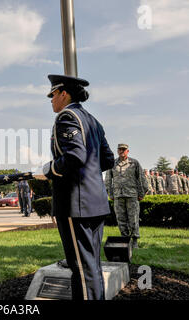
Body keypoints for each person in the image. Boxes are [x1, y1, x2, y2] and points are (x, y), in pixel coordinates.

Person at [34, 74, 114, 300]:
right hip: (96, 203)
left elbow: (75, 156)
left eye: (52, 95)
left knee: (81, 268)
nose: (51, 100)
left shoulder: (66, 117)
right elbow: (108, 160)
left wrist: (49, 169)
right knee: (91, 266)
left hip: (75, 205)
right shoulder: (93, 120)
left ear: (63, 94)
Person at [105, 144, 148, 249]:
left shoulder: (134, 163)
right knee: (121, 219)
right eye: (120, 149)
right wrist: (110, 193)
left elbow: (142, 178)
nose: (121, 151)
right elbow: (108, 180)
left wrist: (142, 193)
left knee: (133, 218)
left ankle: (134, 241)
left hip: (132, 195)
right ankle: (125, 239)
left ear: (127, 151)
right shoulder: (112, 163)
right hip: (118, 196)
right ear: (117, 151)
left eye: (124, 150)